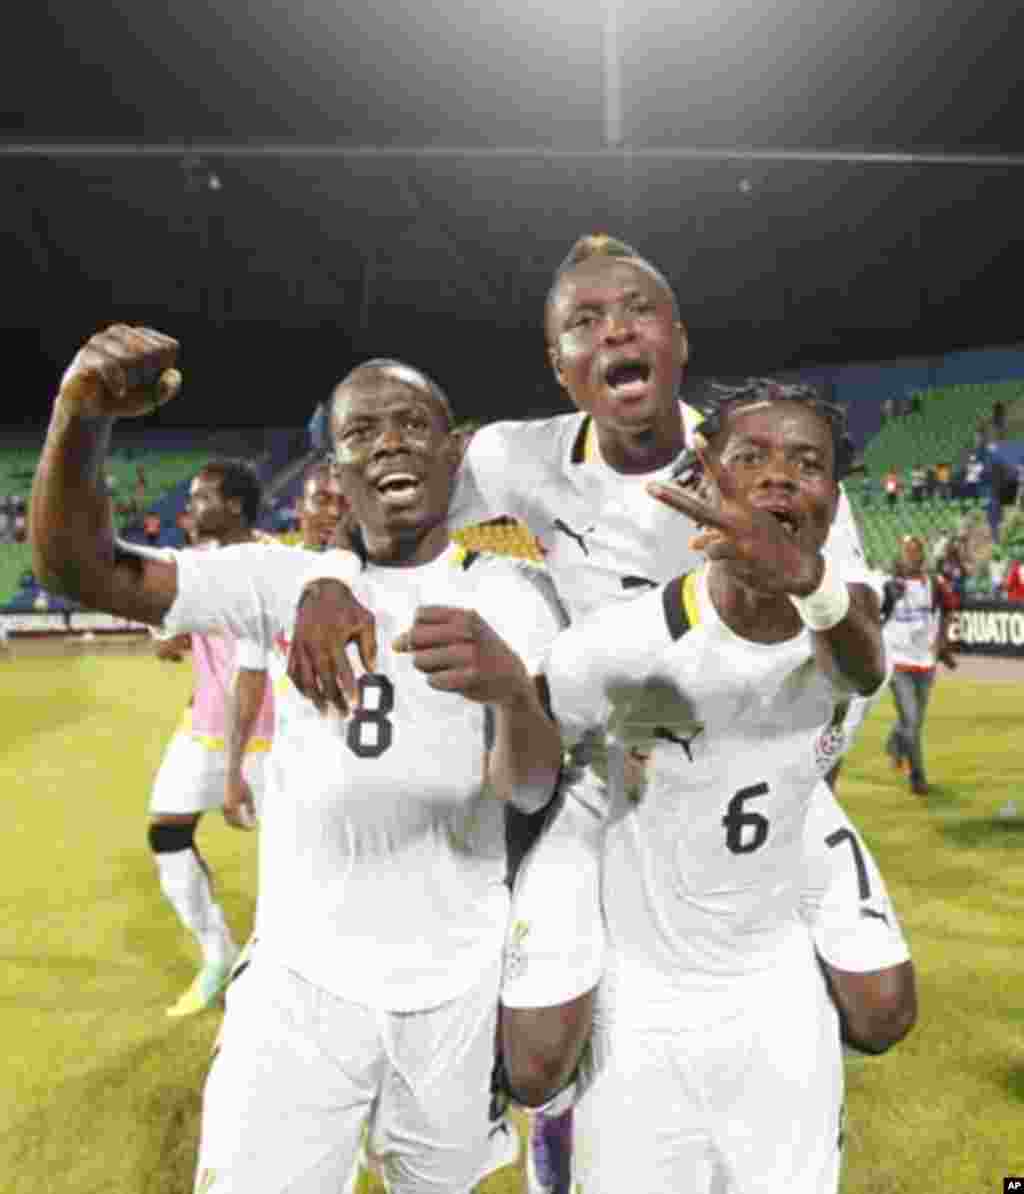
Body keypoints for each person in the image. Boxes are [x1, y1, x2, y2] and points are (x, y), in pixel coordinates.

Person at [293, 237, 915, 1181]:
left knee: (879, 1011)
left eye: (635, 311)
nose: (613, 330)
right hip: (604, 766)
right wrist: (334, 571)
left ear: (677, 339)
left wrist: (810, 625)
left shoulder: (758, 460)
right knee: (537, 1063)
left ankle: (775, 1080)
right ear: (559, 365)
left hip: (755, 768)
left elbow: (853, 642)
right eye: (583, 322)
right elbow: (391, 498)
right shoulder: (513, 459)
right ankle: (568, 1127)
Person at [30, 329, 566, 1193]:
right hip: (298, 985)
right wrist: (81, 414)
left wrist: (510, 693)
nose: (388, 442)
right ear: (335, 467)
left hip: (457, 989)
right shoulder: (281, 583)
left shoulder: (512, 597)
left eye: (411, 424)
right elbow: (78, 569)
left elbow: (534, 789)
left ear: (454, 448)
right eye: (362, 432)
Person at [530, 388, 888, 1192]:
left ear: (835, 495)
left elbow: (862, 666)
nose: (779, 479)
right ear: (702, 476)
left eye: (806, 463)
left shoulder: (848, 618)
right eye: (751, 458)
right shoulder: (615, 647)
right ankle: (553, 1118)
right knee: (535, 1063)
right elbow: (534, 763)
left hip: (773, 973)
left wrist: (805, 579)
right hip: (645, 980)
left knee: (885, 1013)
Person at [146, 459, 275, 1016]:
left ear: (236, 508)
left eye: (202, 499)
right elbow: (167, 641)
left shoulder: (272, 564)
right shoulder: (191, 566)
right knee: (167, 834)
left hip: (276, 740)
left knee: (293, 862)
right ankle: (216, 953)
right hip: (203, 731)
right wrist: (170, 638)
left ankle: (275, 977)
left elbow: (259, 663)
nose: (190, 510)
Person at [881, 535, 958, 796]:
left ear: (922, 555)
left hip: (925, 662)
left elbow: (948, 610)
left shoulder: (935, 584)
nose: (911, 556)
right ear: (901, 556)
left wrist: (942, 641)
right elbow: (876, 614)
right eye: (907, 552)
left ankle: (894, 742)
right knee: (912, 720)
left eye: (915, 552)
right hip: (898, 662)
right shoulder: (888, 585)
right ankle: (918, 777)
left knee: (913, 721)